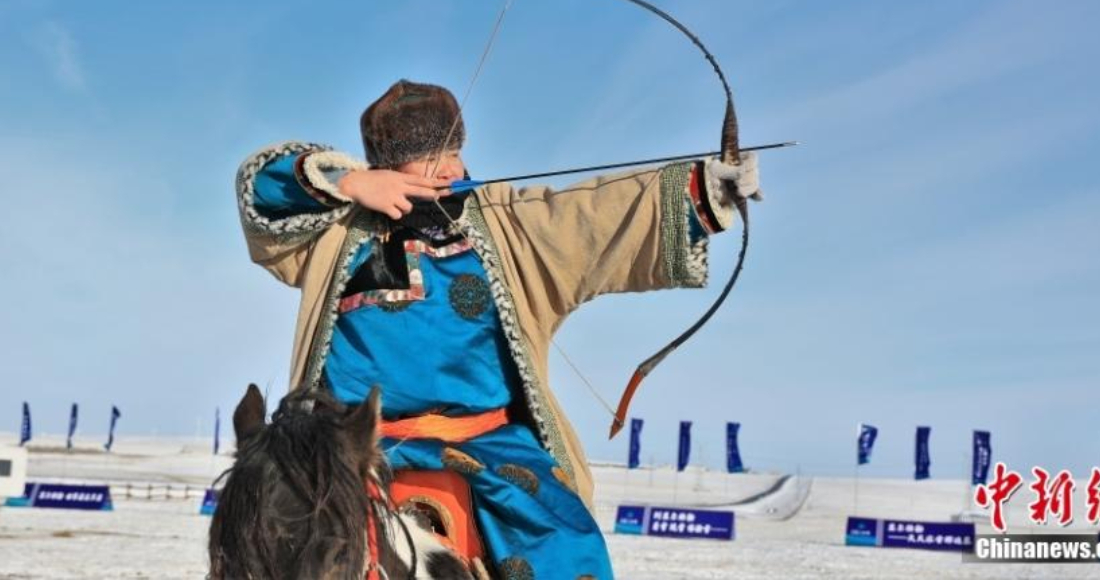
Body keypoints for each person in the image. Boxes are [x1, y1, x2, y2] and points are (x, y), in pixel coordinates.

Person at [236, 79, 760, 579]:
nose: (444, 171)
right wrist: (347, 182)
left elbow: (590, 216)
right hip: (348, 447)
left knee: (565, 538)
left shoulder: (508, 222)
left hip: (488, 441)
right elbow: (258, 193)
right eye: (425, 160)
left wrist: (704, 189)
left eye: (451, 154)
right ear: (389, 168)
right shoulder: (336, 230)